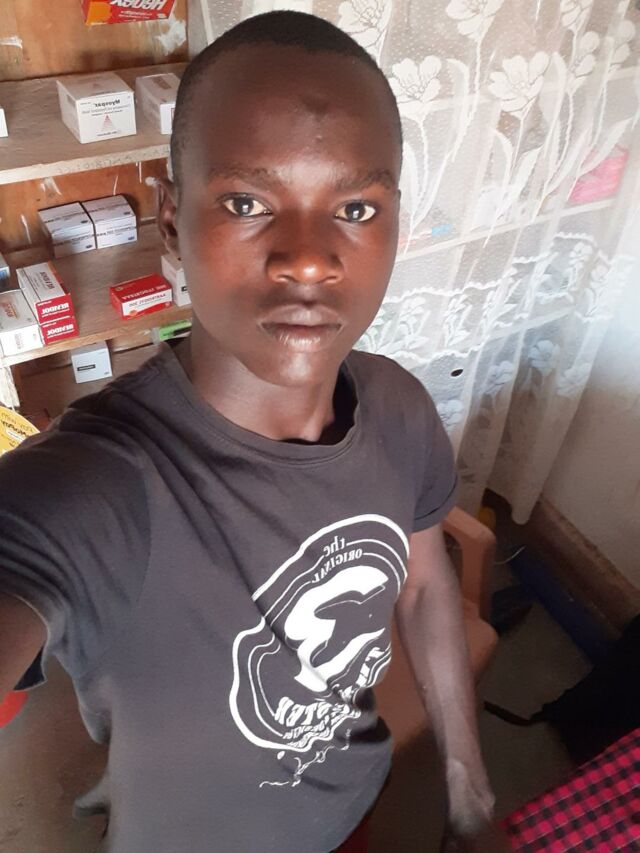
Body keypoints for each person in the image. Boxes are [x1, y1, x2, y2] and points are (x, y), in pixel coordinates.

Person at [0, 11, 508, 853]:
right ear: (171, 224)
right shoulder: (104, 484)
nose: (308, 259)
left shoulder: (399, 406)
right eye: (247, 202)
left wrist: (468, 790)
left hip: (355, 804)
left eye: (355, 206)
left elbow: (422, 587)